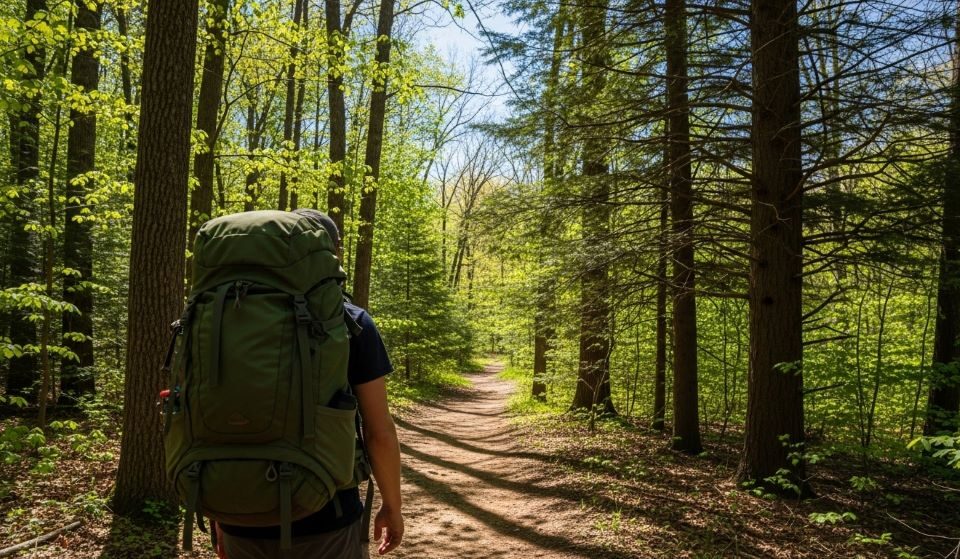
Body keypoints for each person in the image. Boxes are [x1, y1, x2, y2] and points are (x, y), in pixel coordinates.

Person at [217, 209, 404, 559]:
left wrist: (218, 517)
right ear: (333, 254)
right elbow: (379, 432)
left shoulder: (223, 319)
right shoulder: (351, 322)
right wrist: (393, 506)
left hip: (237, 516)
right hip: (326, 518)